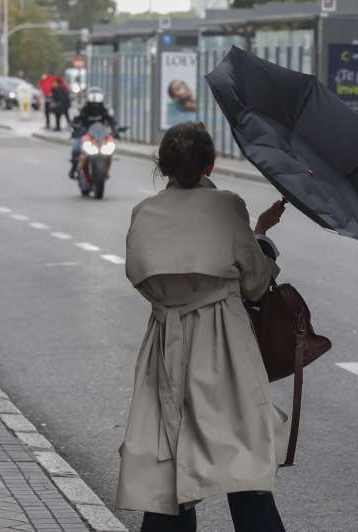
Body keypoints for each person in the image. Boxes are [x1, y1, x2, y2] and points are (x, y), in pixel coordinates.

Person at [118, 121, 290, 531]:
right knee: (242, 457)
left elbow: (140, 276)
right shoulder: (229, 207)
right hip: (224, 345)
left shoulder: (144, 213)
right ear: (210, 165)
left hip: (168, 342)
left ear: (163, 166)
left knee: (169, 462)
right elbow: (255, 281)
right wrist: (261, 235)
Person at [68, 87, 119, 178]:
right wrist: (75, 127)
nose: (95, 101)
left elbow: (111, 120)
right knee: (76, 148)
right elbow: (76, 120)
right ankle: (74, 168)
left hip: (101, 136)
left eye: (97, 97)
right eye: (93, 97)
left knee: (110, 147)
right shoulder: (83, 110)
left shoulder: (104, 110)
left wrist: (115, 129)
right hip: (85, 134)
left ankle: (106, 169)